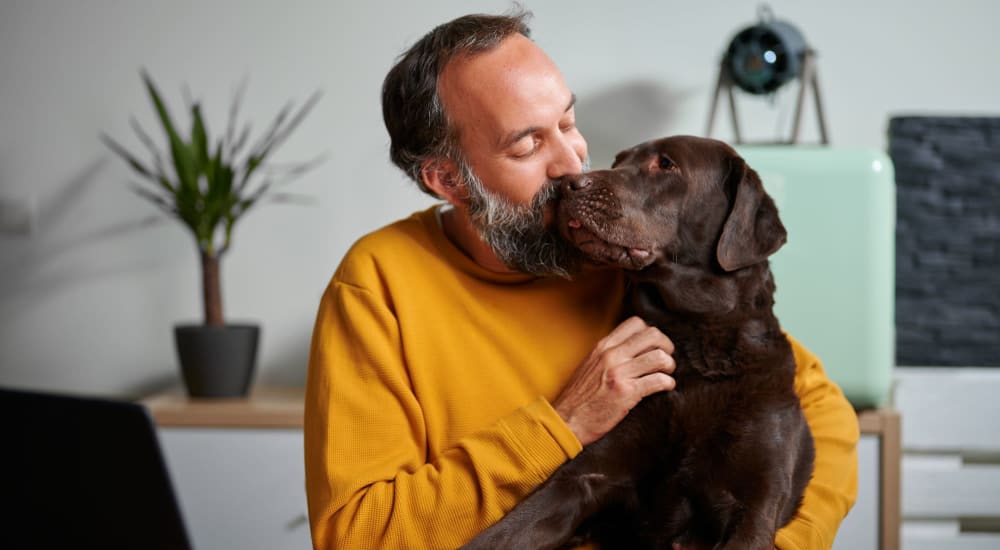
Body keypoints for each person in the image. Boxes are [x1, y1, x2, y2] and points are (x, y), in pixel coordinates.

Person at [304, 9, 859, 550]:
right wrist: (559, 427)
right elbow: (358, 536)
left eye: (568, 123)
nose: (572, 165)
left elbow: (819, 413)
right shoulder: (379, 285)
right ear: (449, 180)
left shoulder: (624, 256)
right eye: (527, 144)